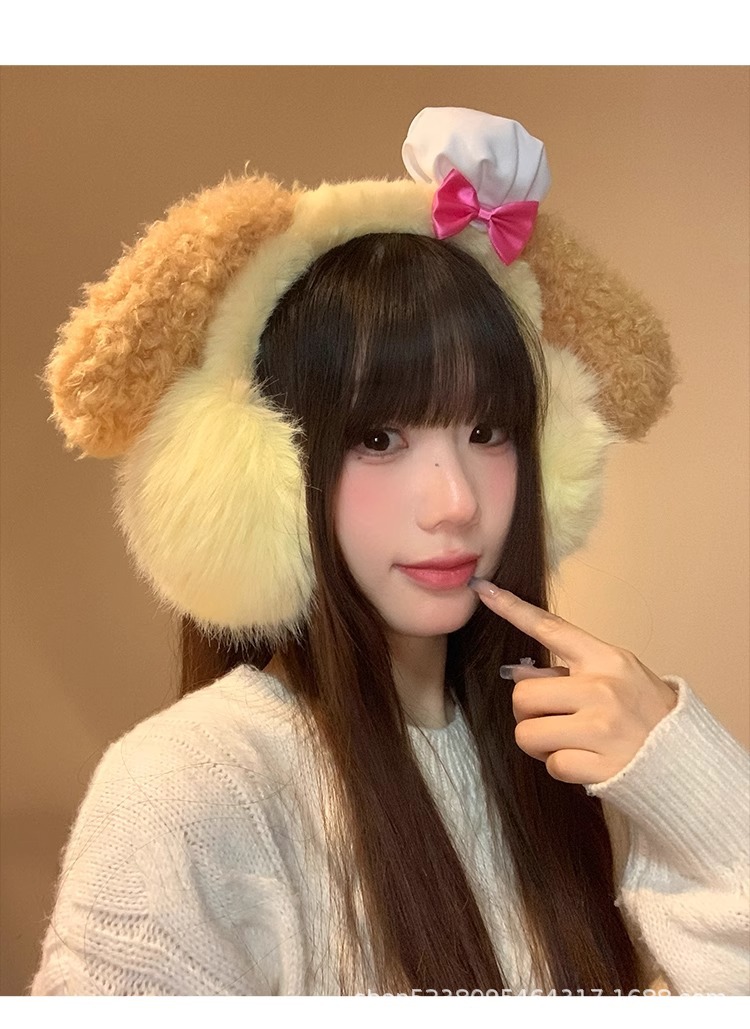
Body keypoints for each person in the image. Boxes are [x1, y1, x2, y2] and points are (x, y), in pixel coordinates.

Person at [33, 108, 749, 996]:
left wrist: (691, 781)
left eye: (487, 431)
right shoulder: (183, 791)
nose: (456, 503)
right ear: (264, 474)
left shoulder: (563, 760)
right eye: (379, 438)